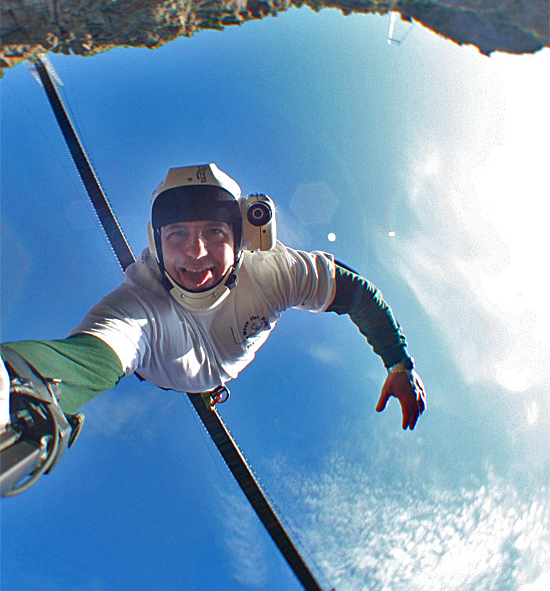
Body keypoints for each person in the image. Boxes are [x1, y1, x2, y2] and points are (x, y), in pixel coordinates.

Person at [0, 163, 426, 452]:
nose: (196, 252)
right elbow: (88, 356)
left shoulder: (275, 270)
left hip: (212, 367)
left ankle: (208, 386)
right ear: (156, 243)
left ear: (242, 238)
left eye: (214, 232)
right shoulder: (139, 304)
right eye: (177, 235)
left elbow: (359, 295)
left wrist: (397, 364)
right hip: (165, 364)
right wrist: (21, 391)